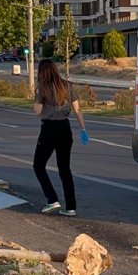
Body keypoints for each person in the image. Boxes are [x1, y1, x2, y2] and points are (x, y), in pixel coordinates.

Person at [32, 59, 87, 216]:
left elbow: (37, 111)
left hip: (49, 129)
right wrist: (83, 129)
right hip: (65, 128)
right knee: (64, 168)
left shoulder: (42, 88)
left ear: (41, 72)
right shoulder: (67, 85)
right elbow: (77, 108)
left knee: (38, 165)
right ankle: (70, 207)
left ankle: (52, 200)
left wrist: (36, 98)